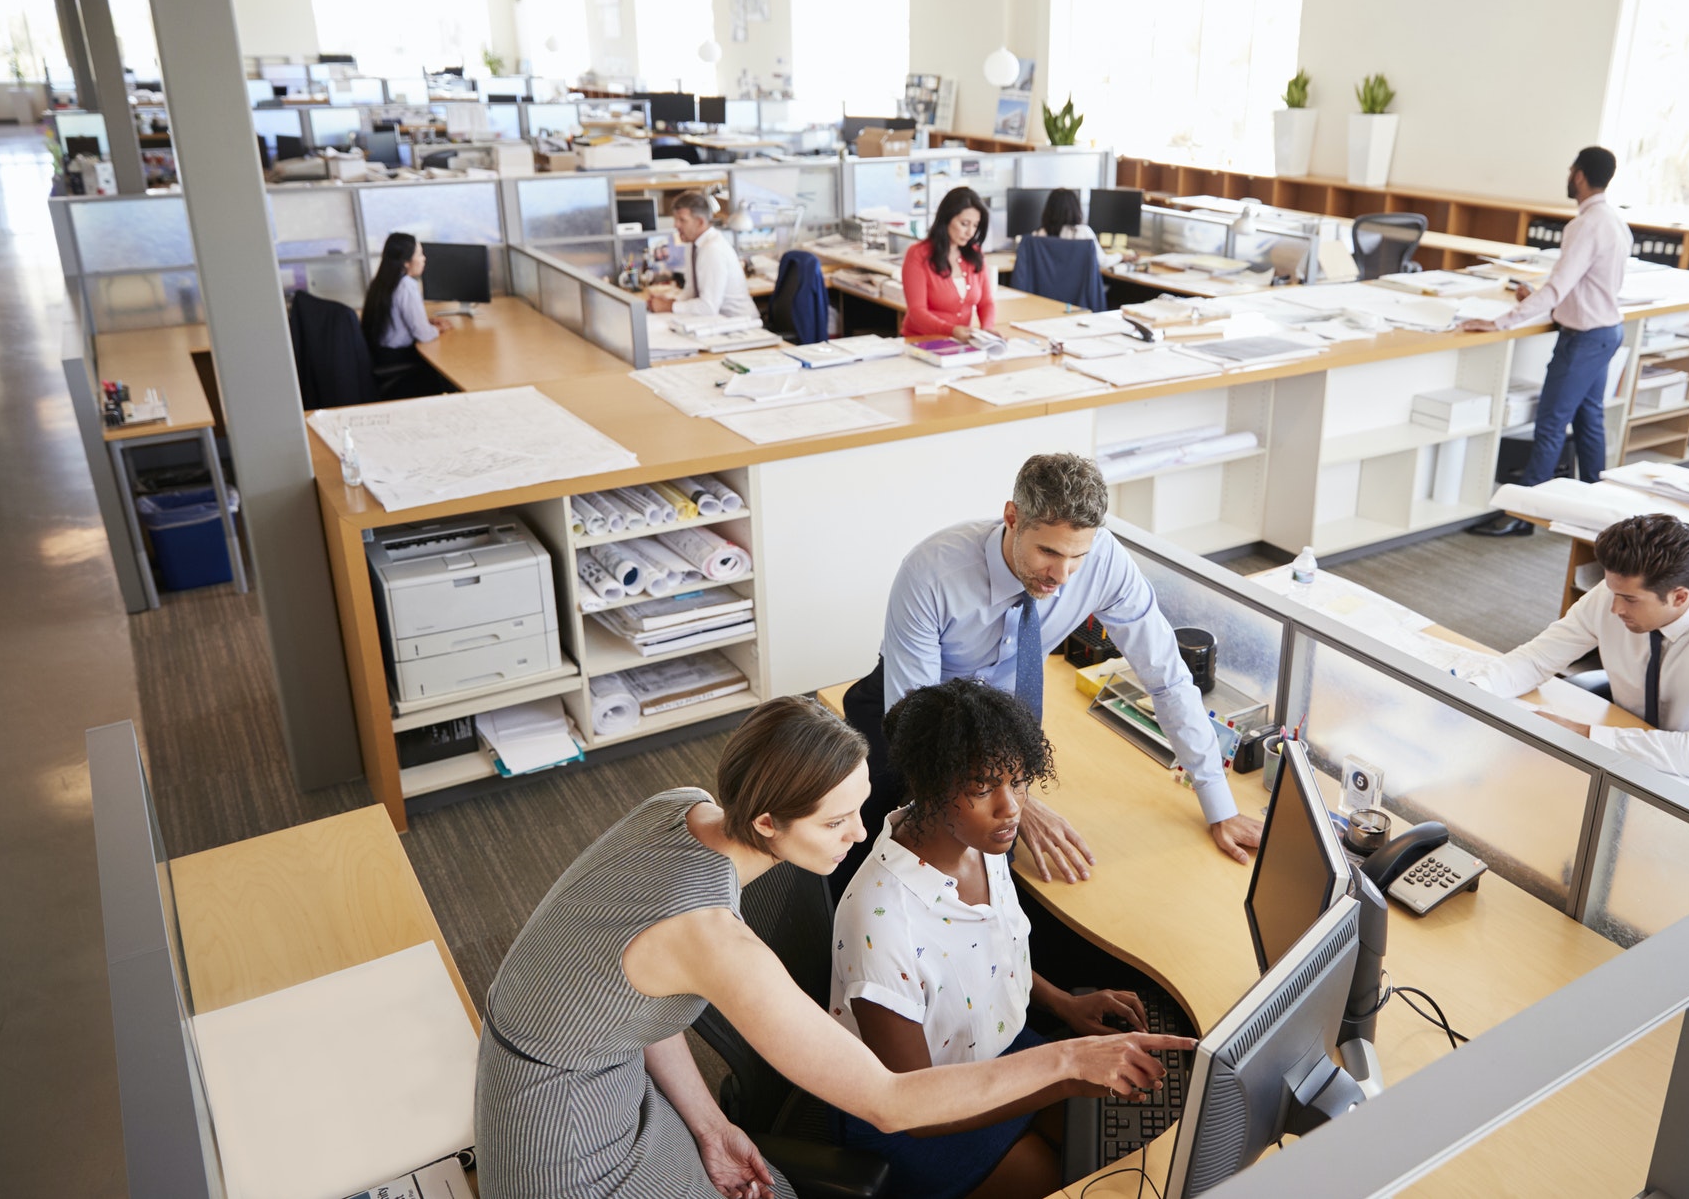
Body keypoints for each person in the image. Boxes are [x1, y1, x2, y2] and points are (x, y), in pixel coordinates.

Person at [475, 695, 1185, 1199]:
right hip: (560, 1147)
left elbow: (633, 997)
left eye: (860, 806)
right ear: (767, 820)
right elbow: (887, 1101)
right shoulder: (714, 938)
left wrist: (712, 1123)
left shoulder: (681, 805)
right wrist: (1064, 1056)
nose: (857, 836)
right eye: (837, 821)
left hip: (590, 1069)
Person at [837, 453, 1263, 895]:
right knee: (881, 853)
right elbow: (918, 724)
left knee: (1014, 871)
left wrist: (1219, 804)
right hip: (914, 715)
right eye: (1048, 552)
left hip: (1002, 720)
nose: (1061, 575)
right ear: (1012, 518)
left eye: (1077, 555)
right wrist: (1017, 801)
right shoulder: (932, 571)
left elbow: (1167, 677)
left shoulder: (1104, 562)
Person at [831, 679, 1149, 1199]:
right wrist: (1060, 1076)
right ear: (930, 786)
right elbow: (910, 1107)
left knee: (1110, 1141)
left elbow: (993, 954)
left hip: (997, 1052)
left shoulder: (982, 843)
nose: (1011, 808)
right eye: (983, 788)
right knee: (1070, 1178)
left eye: (1019, 781)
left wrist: (1064, 1005)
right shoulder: (883, 923)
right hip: (918, 1114)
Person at [1459, 514, 1689, 780]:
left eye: (1629, 599)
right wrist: (1472, 690)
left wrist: (1580, 732)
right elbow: (1537, 659)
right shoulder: (1613, 595)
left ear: (1679, 597)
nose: (1614, 609)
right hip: (1628, 750)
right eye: (1612, 591)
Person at [1465, 146, 1633, 537]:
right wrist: (1539, 301)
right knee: (1589, 420)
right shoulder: (1614, 221)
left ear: (1578, 175)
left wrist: (1502, 322)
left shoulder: (1585, 226)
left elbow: (1559, 286)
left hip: (1585, 339)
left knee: (1551, 423)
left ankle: (1523, 513)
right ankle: (1597, 508)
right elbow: (1583, 285)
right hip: (1606, 331)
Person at [359, 231, 452, 396]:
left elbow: (396, 320)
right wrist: (439, 329)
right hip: (399, 358)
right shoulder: (407, 286)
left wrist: (426, 322)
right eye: (419, 254)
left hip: (381, 354)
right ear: (406, 262)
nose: (424, 259)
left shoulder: (381, 281)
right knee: (445, 372)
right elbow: (423, 334)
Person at [902, 186, 996, 341]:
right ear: (946, 219)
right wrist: (951, 330)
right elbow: (916, 312)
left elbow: (986, 302)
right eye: (964, 224)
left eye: (975, 225)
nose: (970, 232)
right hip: (921, 341)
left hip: (959, 343)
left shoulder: (975, 254)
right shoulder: (918, 254)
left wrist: (987, 330)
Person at [654, 190, 758, 319]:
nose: (676, 225)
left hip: (740, 323)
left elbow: (709, 306)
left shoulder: (712, 249)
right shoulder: (693, 244)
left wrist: (670, 306)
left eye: (682, 220)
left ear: (700, 222)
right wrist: (671, 301)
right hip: (716, 321)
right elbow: (691, 291)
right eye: (676, 219)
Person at [1039, 188, 1118, 270]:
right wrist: (1120, 256)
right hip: (1078, 283)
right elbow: (1103, 262)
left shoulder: (1039, 234)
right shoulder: (1083, 232)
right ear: (1075, 208)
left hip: (1045, 283)